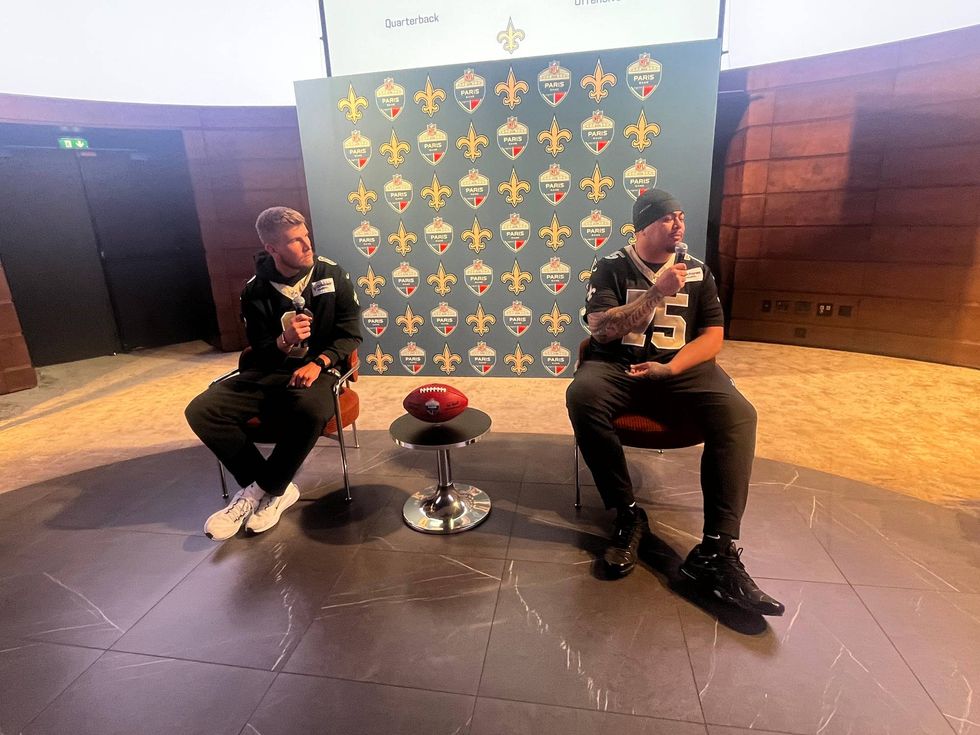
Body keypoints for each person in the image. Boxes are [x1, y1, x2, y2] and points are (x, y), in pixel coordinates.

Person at [566, 189, 784, 616]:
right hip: (618, 366)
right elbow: (602, 332)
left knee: (739, 415)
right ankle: (628, 514)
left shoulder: (698, 271)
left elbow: (713, 336)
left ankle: (716, 552)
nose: (678, 224)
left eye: (680, 216)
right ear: (643, 225)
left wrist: (674, 368)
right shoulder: (610, 267)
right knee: (582, 394)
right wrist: (656, 293)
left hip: (679, 369)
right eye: (668, 218)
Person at [185, 206, 362, 540]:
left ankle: (256, 493)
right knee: (201, 409)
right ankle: (276, 488)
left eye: (306, 236)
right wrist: (284, 341)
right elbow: (260, 350)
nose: (308, 245)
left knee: (310, 409)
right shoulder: (255, 290)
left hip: (319, 372)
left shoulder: (332, 275)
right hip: (268, 373)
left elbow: (351, 334)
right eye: (296, 241)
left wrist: (319, 362)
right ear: (272, 249)